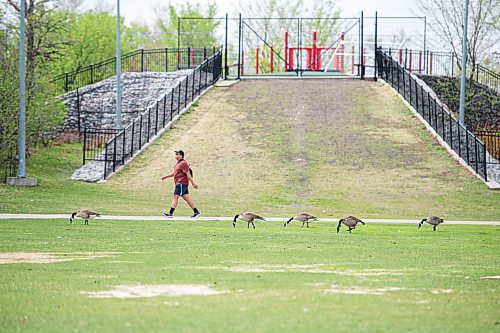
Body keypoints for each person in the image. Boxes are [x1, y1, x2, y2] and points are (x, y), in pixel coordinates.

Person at [161, 149, 201, 218]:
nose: (176, 155)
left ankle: (170, 213)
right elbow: (174, 173)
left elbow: (188, 174)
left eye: (177, 154)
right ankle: (196, 211)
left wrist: (193, 183)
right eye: (175, 153)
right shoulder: (178, 164)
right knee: (187, 198)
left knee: (175, 197)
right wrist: (166, 177)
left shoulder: (183, 163)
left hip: (181, 183)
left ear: (181, 156)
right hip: (180, 183)